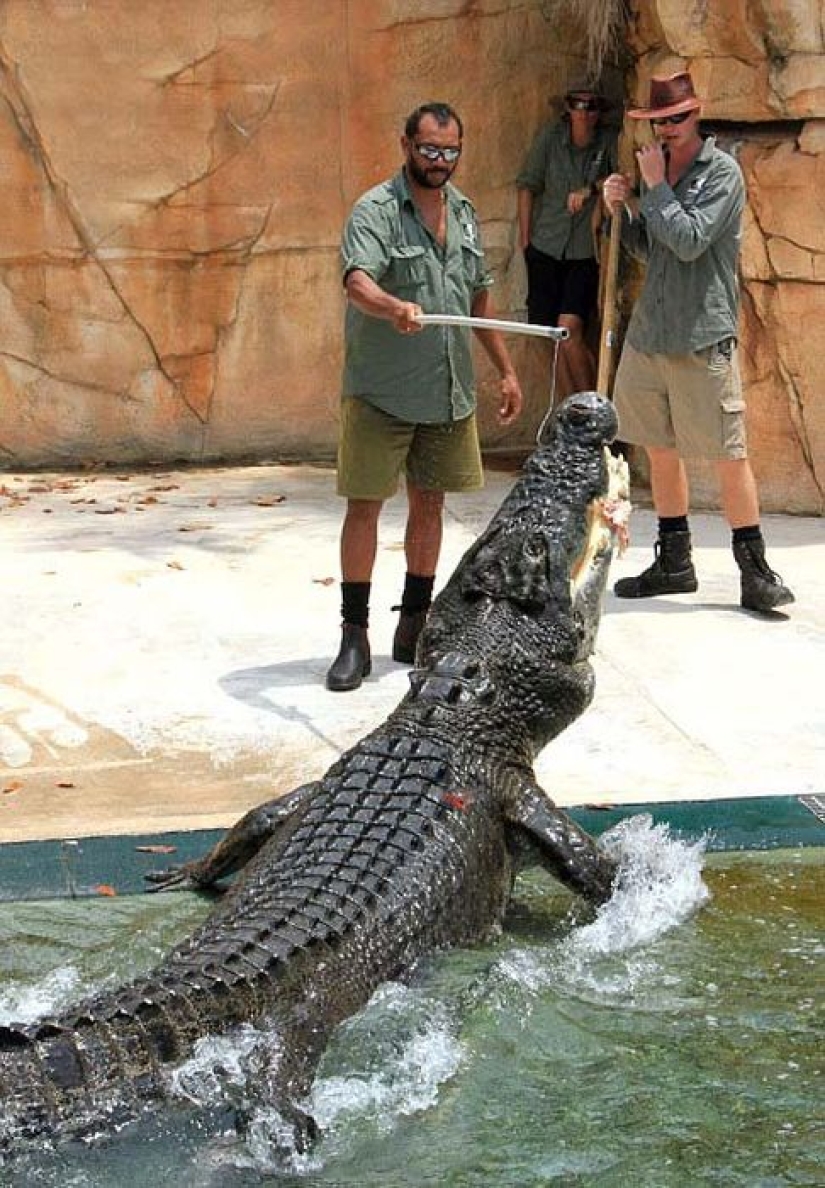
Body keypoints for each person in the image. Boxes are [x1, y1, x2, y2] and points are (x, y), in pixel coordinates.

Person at [326, 101, 524, 693]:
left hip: (446, 389)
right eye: (429, 150)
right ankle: (353, 634)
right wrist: (394, 307)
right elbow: (357, 282)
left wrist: (505, 372)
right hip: (383, 390)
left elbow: (479, 302)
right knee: (364, 505)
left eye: (450, 151)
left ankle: (414, 623)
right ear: (406, 144)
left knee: (431, 504)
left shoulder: (463, 213)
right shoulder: (378, 210)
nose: (439, 162)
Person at [602, 71, 794, 615]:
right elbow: (651, 250)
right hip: (651, 334)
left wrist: (654, 188)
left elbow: (687, 242)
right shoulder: (658, 173)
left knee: (729, 454)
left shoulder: (722, 173)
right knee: (660, 450)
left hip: (702, 336)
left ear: (697, 113)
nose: (667, 128)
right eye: (659, 120)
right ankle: (674, 562)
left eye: (677, 118)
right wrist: (625, 208)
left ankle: (755, 572)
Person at [516, 80, 616, 394]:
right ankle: (569, 414)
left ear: (600, 112)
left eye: (592, 106)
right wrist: (525, 242)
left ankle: (593, 411)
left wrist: (591, 189)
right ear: (568, 108)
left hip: (584, 253)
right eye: (578, 104)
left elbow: (622, 178)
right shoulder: (550, 139)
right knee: (549, 336)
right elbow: (527, 185)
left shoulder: (608, 144)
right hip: (545, 246)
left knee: (569, 329)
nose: (584, 113)